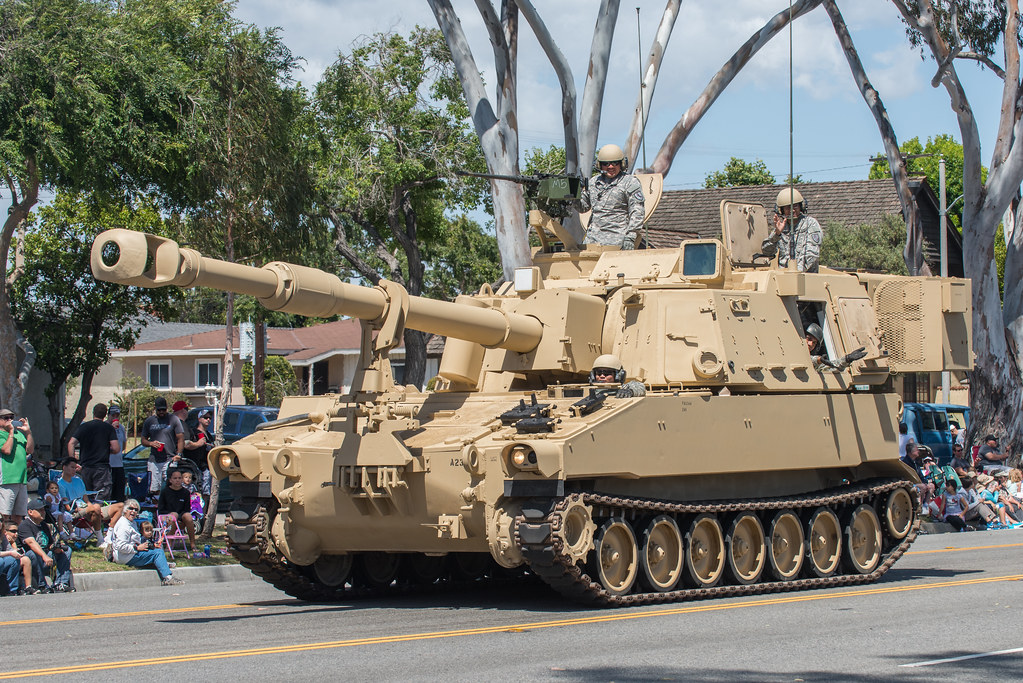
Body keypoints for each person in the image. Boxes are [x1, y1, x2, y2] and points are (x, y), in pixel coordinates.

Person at [576, 144, 646, 249]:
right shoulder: (593, 183)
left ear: (622, 164)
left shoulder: (629, 182)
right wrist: (574, 195)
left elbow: (637, 211)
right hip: (592, 242)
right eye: (606, 164)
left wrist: (631, 236)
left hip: (617, 242)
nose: (611, 167)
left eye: (615, 163)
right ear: (600, 165)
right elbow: (583, 207)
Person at [109, 498, 183, 586]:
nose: (133, 511)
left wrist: (152, 545)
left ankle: (163, 564)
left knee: (156, 550)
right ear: (125, 510)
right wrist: (137, 548)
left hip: (130, 553)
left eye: (136, 510)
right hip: (126, 556)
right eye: (130, 509)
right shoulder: (123, 526)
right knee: (158, 553)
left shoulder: (130, 522)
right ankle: (168, 578)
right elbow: (120, 546)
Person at [57, 457, 123, 548]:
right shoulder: (60, 484)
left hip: (89, 509)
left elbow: (86, 500)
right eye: (72, 467)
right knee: (96, 507)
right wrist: (86, 508)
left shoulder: (78, 481)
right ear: (64, 467)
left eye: (75, 468)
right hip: (75, 512)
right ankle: (100, 540)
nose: (74, 470)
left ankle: (108, 536)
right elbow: (66, 506)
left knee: (121, 506)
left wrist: (93, 508)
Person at [761, 188, 823, 273]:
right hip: (783, 276)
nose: (792, 210)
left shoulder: (810, 224)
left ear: (801, 207)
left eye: (795, 206)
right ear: (781, 210)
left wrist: (795, 272)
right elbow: (767, 252)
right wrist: (777, 234)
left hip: (805, 276)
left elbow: (811, 255)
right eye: (787, 207)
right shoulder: (781, 227)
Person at [18, 498, 73, 592]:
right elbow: (31, 543)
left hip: (45, 556)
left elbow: (49, 544)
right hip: (31, 558)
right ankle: (42, 585)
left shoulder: (44, 525)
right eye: (40, 510)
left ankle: (61, 583)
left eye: (44, 510)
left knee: (67, 550)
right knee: (33, 553)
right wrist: (44, 556)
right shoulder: (25, 525)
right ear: (30, 512)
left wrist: (56, 548)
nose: (43, 512)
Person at [68, 402, 119, 502]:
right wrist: (106, 450)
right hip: (101, 469)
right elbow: (116, 448)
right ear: (105, 415)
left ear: (93, 413)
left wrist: (73, 463)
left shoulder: (84, 427)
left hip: (86, 468)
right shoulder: (108, 428)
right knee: (101, 498)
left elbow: (71, 443)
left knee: (86, 498)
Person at [141, 397, 184, 493]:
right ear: (155, 408)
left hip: (170, 459)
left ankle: (170, 502)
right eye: (159, 410)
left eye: (163, 410)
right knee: (154, 489)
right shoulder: (149, 421)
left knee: (171, 486)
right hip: (154, 459)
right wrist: (151, 443)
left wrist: (178, 454)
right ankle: (157, 502)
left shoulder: (173, 419)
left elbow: (181, 438)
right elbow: (143, 440)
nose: (161, 412)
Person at [0, 407, 33, 525]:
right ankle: (3, 536)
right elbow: (7, 450)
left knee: (19, 514)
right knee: (5, 514)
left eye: (11, 417)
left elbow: (30, 450)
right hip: (7, 479)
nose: (9, 420)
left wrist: (28, 432)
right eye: (6, 418)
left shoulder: (19, 434)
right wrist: (10, 432)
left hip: (21, 480)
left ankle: (15, 535)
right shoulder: (1, 434)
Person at [158, 468, 197, 555]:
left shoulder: (186, 492)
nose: (177, 480)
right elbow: (161, 509)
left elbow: (186, 510)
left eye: (179, 478)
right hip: (166, 518)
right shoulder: (165, 492)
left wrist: (179, 519)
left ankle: (192, 543)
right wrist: (172, 516)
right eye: (175, 478)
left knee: (188, 516)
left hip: (180, 519)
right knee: (173, 515)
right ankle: (169, 544)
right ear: (170, 480)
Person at [183, 407, 213, 511]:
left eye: (210, 418)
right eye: (205, 417)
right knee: (196, 492)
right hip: (195, 467)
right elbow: (186, 445)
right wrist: (198, 444)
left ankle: (204, 513)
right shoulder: (193, 432)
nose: (208, 420)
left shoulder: (209, 435)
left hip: (206, 467)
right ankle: (196, 511)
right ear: (199, 419)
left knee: (206, 492)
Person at [1, 522, 32, 595]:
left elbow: (11, 550)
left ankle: (12, 590)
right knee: (1, 561)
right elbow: (10, 552)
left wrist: (13, 543)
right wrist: (10, 553)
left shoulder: (2, 536)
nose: (16, 534)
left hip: (3, 559)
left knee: (16, 559)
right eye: (13, 531)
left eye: (1, 520)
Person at [106, 405, 127, 503]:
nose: (115, 417)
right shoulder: (104, 427)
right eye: (113, 415)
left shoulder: (121, 428)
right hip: (107, 464)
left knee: (119, 494)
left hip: (119, 464)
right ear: (108, 415)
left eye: (117, 415)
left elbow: (123, 445)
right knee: (109, 493)